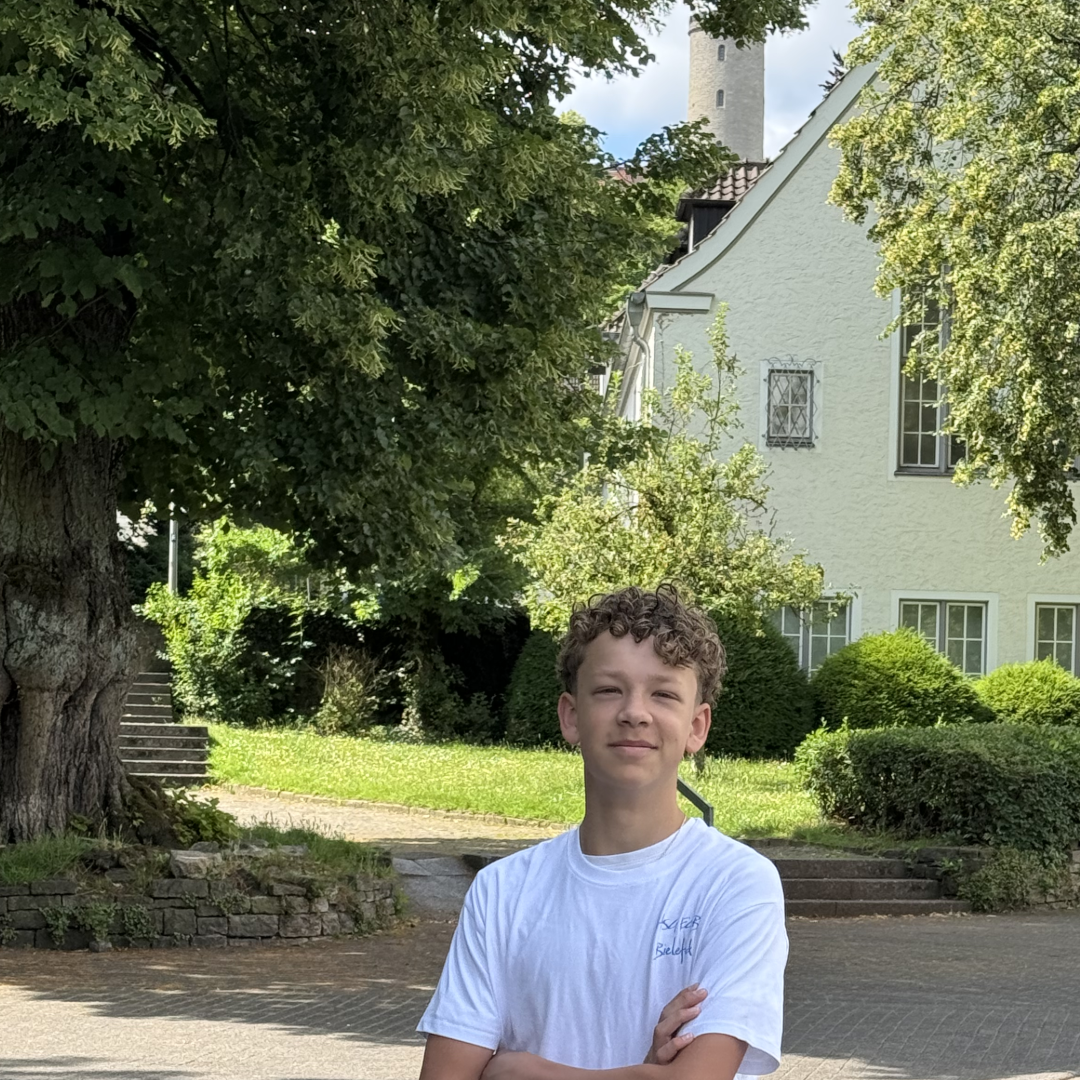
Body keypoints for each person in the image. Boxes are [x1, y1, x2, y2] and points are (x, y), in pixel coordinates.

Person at [417, 585, 788, 1080]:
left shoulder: (735, 883)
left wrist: (515, 1070)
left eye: (663, 694)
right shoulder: (501, 891)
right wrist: (644, 1072)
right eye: (610, 690)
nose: (635, 712)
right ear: (571, 717)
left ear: (697, 727)